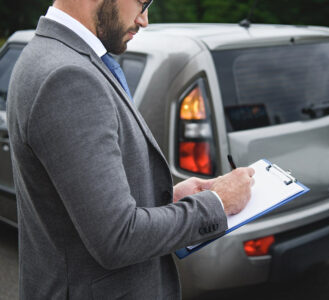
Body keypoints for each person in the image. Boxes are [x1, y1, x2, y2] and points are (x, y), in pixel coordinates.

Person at [6, 0, 255, 299]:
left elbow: (80, 204)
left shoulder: (50, 55)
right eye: (142, 2)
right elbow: (118, 238)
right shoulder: (68, 75)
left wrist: (170, 199)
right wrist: (219, 203)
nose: (144, 19)